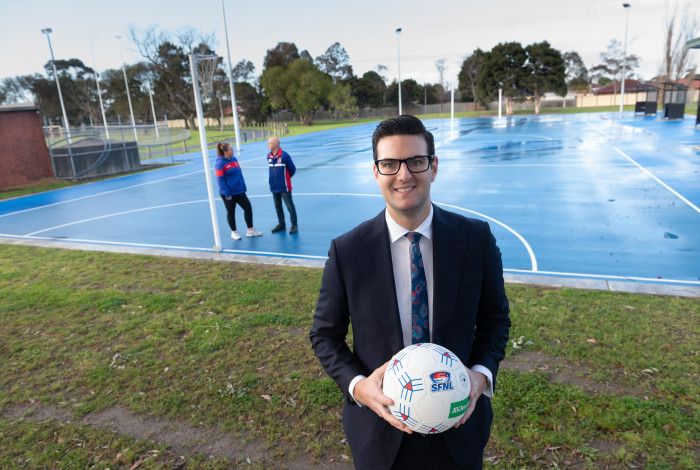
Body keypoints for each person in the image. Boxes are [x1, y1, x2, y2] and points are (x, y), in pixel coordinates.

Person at [310, 115, 511, 470]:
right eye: (389, 164)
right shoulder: (348, 251)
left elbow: (495, 321)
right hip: (381, 435)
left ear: (433, 167)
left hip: (459, 424)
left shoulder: (475, 240)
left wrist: (480, 375)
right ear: (376, 172)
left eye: (415, 161)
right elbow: (325, 335)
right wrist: (359, 387)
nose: (403, 175)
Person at [215, 142, 262, 240]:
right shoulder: (219, 163)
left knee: (248, 208)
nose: (233, 150)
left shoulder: (234, 159)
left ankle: (250, 230)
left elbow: (239, 173)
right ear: (225, 151)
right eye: (231, 149)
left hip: (239, 191)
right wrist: (227, 193)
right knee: (231, 212)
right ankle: (234, 232)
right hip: (228, 193)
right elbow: (220, 180)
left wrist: (243, 185)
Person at [266, 136, 298, 234]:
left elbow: (292, 169)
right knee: (278, 206)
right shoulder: (269, 156)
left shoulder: (285, 156)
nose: (268, 145)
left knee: (289, 206)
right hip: (274, 186)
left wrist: (285, 179)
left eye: (270, 143)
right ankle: (281, 224)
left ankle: (294, 225)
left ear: (276, 144)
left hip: (284, 186)